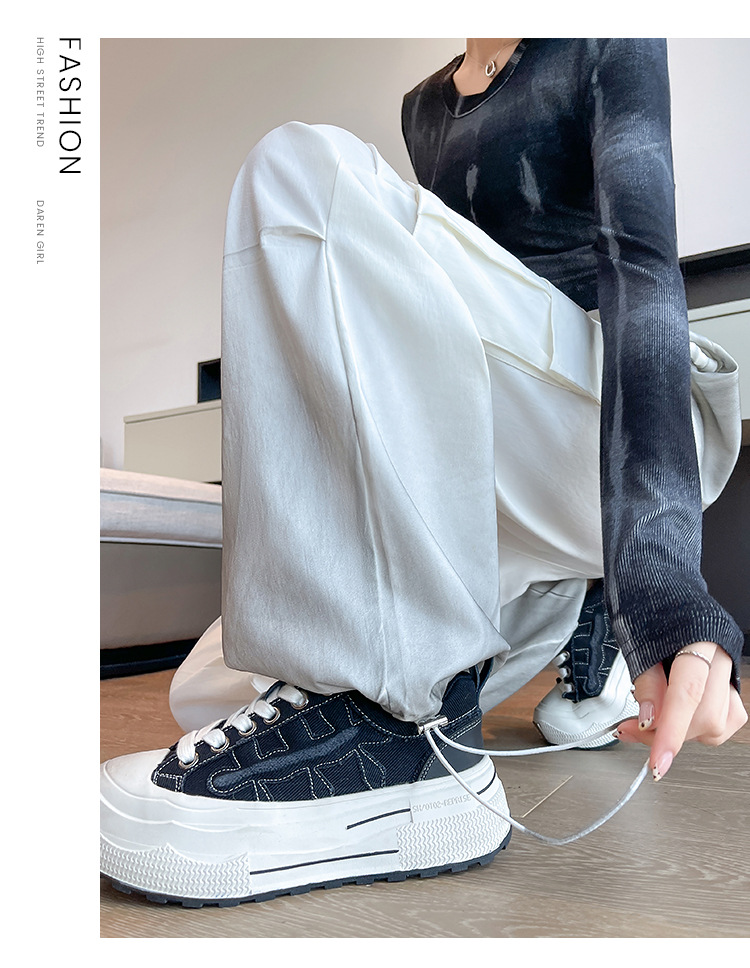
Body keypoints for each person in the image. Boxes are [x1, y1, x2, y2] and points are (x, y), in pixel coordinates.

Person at [100, 38, 746, 907]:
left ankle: (414, 735)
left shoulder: (605, 35)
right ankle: (545, 643)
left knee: (302, 169)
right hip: (493, 429)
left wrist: (660, 578)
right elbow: (432, 321)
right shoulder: (425, 106)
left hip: (598, 416)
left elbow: (640, 266)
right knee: (210, 690)